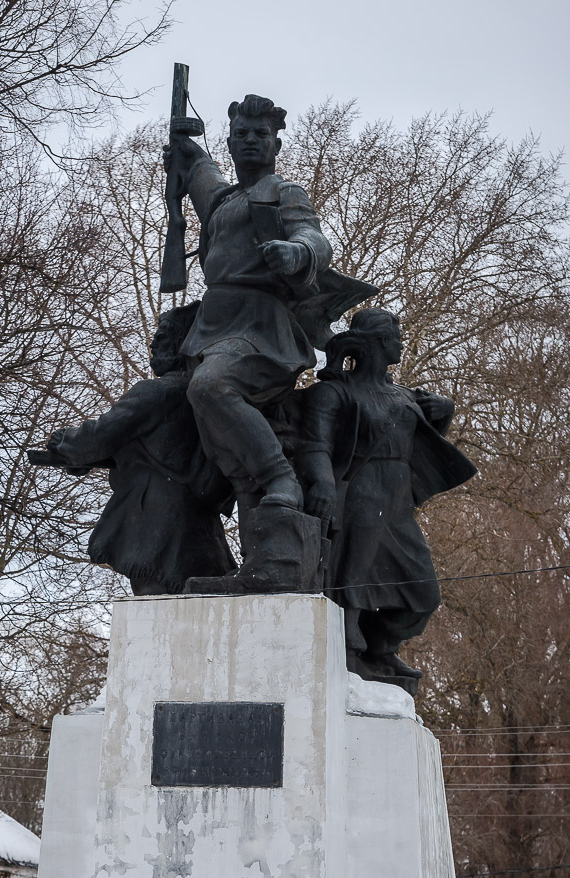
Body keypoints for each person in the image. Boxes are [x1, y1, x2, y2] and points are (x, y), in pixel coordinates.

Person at [166, 92, 375, 591]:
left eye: (261, 134)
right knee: (233, 460)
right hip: (214, 326)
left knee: (211, 388)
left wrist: (297, 252)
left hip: (260, 327)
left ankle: (282, 477)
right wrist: (183, 143)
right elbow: (199, 169)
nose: (250, 141)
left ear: (276, 144)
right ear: (230, 143)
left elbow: (315, 238)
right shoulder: (222, 200)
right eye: (241, 134)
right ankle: (258, 571)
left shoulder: (284, 192)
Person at [297, 308, 476, 692]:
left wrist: (444, 413)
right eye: (396, 338)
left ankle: (380, 647)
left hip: (398, 500)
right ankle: (349, 652)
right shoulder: (335, 392)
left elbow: (423, 443)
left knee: (423, 594)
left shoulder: (406, 396)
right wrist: (323, 482)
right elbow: (314, 445)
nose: (401, 344)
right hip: (361, 494)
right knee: (352, 578)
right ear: (379, 342)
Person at [38, 304, 235, 594]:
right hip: (202, 534)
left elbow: (97, 438)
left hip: (154, 528)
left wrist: (63, 443)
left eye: (162, 336)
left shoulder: (157, 392)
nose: (153, 345)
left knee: (154, 606)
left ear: (182, 347)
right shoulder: (216, 401)